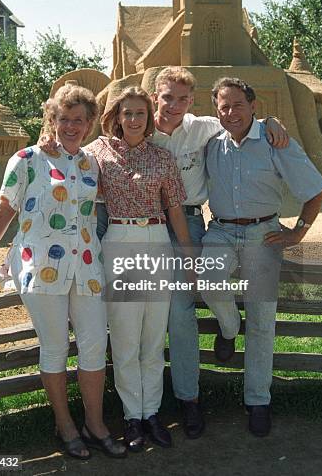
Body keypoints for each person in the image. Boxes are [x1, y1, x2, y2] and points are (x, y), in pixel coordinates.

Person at [96, 66, 289, 439]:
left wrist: (270, 121)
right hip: (143, 227)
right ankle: (163, 403)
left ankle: (186, 397)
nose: (174, 105)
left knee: (182, 307)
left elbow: (238, 119)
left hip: (189, 222)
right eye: (168, 97)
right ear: (156, 97)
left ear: (191, 102)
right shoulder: (137, 129)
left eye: (183, 99)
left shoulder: (202, 127)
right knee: (160, 312)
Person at [0, 84, 126, 460]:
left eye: (78, 120)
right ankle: (65, 426)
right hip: (41, 264)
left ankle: (95, 424)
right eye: (64, 119)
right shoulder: (26, 159)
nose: (71, 126)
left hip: (85, 265)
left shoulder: (90, 162)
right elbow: (5, 212)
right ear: (52, 119)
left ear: (89, 124)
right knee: (54, 348)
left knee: (95, 344)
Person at [200, 76, 322, 437]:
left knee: (261, 320)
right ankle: (228, 327)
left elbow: (316, 189)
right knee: (208, 279)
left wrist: (299, 230)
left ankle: (257, 401)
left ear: (253, 106)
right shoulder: (212, 144)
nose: (230, 112)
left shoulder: (276, 141)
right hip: (221, 230)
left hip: (263, 233)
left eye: (237, 104)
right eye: (223, 106)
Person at [85, 86, 192, 452]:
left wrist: (189, 256)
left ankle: (152, 414)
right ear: (116, 116)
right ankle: (132, 417)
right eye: (127, 113)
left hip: (157, 239)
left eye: (140, 114)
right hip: (119, 239)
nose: (133, 119)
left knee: (152, 336)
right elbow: (67, 165)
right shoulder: (97, 153)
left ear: (149, 119)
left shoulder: (162, 158)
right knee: (127, 337)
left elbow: (176, 208)